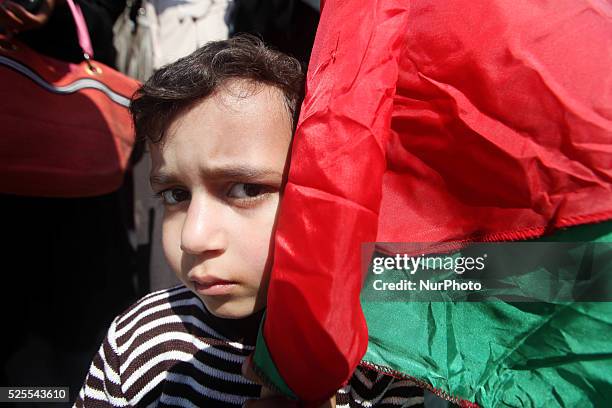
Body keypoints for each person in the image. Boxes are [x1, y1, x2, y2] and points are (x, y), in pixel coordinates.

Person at [75, 35, 425, 407]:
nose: (193, 239)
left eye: (244, 189)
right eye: (176, 195)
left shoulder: (373, 363)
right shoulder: (137, 338)